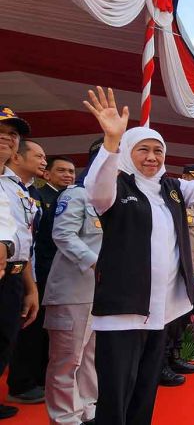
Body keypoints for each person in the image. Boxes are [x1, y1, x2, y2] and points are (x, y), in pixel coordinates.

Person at [82, 86, 194, 425]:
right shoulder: (117, 187)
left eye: (158, 151)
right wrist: (112, 142)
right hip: (122, 312)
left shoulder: (172, 188)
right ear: (129, 153)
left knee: (146, 389)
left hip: (161, 310)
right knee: (116, 395)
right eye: (142, 149)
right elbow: (95, 190)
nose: (151, 157)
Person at [42, 139, 103, 425]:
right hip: (72, 289)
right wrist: (96, 262)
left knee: (89, 356)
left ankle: (88, 408)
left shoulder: (110, 199)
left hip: (100, 292)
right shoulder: (76, 194)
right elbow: (63, 234)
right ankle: (65, 417)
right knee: (67, 359)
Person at [0, 106, 40, 420]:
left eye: (13, 134)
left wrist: (30, 287)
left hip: (12, 276)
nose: (7, 138)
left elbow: (22, 240)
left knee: (4, 342)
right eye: (1, 131)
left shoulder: (15, 188)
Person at [5, 140, 52, 404]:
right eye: (39, 156)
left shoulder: (26, 192)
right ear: (17, 158)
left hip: (21, 272)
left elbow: (27, 243)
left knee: (13, 334)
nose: (43, 161)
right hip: (6, 270)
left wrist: (31, 285)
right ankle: (20, 383)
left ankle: (22, 383)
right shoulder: (5, 186)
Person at [160, 164, 194, 387]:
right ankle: (163, 363)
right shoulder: (173, 199)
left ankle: (176, 357)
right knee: (170, 318)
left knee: (182, 318)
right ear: (184, 177)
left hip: (192, 270)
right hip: (177, 269)